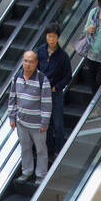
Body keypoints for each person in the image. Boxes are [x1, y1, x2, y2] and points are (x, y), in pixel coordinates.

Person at [8, 49, 51, 183]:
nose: (28, 64)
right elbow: (12, 98)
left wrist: (44, 122)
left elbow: (46, 103)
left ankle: (41, 174)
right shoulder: (16, 78)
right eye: (25, 61)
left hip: (37, 124)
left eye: (31, 62)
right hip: (21, 122)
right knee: (25, 148)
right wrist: (12, 117)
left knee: (41, 150)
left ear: (36, 63)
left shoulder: (42, 79)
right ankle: (26, 171)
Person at [37, 23, 71, 159]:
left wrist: (56, 87)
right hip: (42, 92)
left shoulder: (63, 56)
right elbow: (36, 69)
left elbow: (68, 76)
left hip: (55, 93)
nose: (51, 39)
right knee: (46, 123)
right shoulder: (40, 51)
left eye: (54, 37)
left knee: (58, 123)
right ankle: (49, 148)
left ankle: (59, 149)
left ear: (58, 38)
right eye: (49, 36)